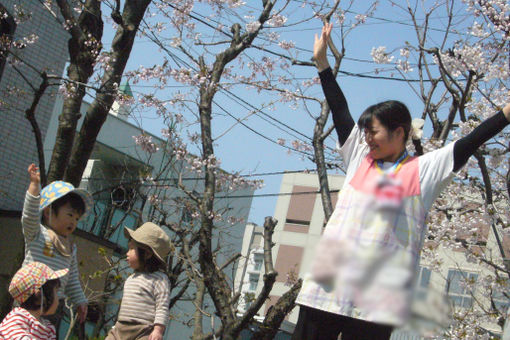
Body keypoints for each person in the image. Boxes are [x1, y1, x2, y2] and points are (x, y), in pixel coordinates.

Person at [292, 23, 510, 340]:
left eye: (374, 132)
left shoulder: (424, 170)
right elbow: (340, 109)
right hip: (328, 286)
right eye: (364, 132)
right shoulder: (358, 156)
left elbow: (471, 141)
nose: (366, 138)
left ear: (400, 133)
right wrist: (322, 64)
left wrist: (505, 113)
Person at [22, 164, 94, 329]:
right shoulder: (37, 233)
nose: (73, 221)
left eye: (77, 218)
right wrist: (34, 186)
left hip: (53, 306)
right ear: (48, 212)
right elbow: (29, 216)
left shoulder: (70, 248)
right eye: (69, 215)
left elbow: (72, 279)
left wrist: (81, 301)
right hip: (30, 298)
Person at [105, 222, 172, 340]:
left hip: (143, 330)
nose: (127, 253)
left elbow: (162, 306)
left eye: (131, 249)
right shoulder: (131, 278)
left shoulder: (159, 279)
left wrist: (158, 330)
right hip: (120, 327)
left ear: (147, 254)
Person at [0, 262, 68, 339]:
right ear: (39, 296)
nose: (58, 298)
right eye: (56, 291)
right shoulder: (18, 317)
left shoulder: (48, 328)